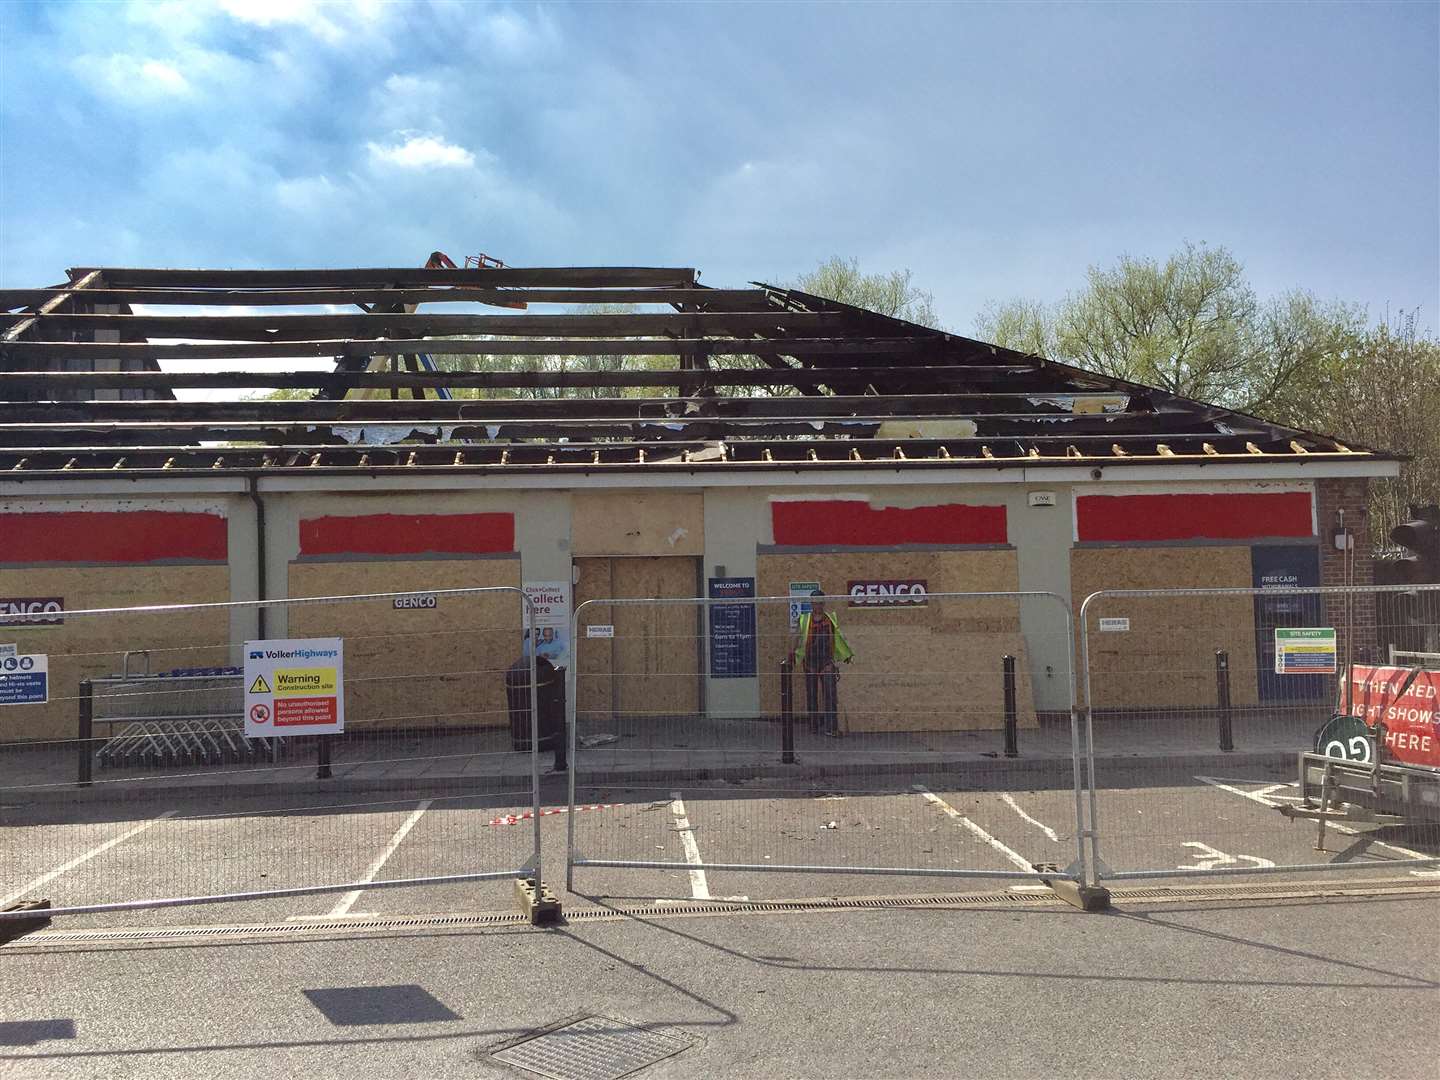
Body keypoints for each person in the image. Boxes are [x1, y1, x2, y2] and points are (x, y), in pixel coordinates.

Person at [791, 589, 853, 737]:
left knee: (830, 695)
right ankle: (813, 726)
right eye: (815, 602)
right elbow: (797, 638)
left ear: (823, 603)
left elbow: (838, 638)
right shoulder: (804, 619)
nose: (817, 605)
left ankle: (831, 728)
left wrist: (845, 655)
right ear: (811, 603)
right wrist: (792, 654)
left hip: (827, 662)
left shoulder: (830, 619)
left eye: (820, 602)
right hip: (810, 663)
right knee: (811, 695)